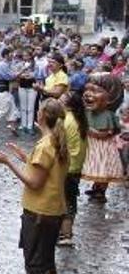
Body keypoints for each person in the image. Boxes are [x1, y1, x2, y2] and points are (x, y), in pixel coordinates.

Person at [0, 98, 68, 274]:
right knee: (47, 256)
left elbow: (34, 182)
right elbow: (45, 170)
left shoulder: (45, 145)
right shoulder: (56, 141)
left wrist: (7, 163)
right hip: (53, 210)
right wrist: (22, 156)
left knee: (35, 261)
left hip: (40, 211)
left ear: (42, 116)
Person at [80, 72, 124, 202]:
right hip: (92, 145)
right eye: (86, 89)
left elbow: (108, 132)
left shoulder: (108, 115)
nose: (88, 93)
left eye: (94, 90)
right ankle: (96, 186)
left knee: (103, 169)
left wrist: (93, 132)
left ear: (111, 97)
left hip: (103, 147)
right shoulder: (88, 112)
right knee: (95, 167)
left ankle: (101, 190)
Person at [58, 90, 87, 246]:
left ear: (68, 104)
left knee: (65, 200)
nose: (59, 100)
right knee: (70, 199)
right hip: (75, 166)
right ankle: (65, 232)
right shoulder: (78, 119)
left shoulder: (67, 121)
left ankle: (65, 234)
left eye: (62, 99)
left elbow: (60, 145)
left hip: (67, 167)